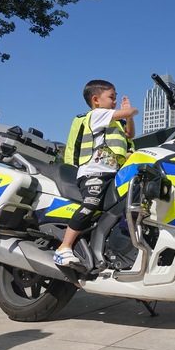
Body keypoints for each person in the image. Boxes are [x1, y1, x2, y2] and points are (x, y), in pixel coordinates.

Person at [54, 79, 139, 266]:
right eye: (111, 97)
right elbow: (127, 113)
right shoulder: (97, 115)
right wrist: (130, 110)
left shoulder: (113, 121)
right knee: (91, 203)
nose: (115, 102)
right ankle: (64, 247)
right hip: (94, 173)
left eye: (116, 98)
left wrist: (129, 117)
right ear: (96, 100)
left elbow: (130, 134)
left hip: (112, 174)